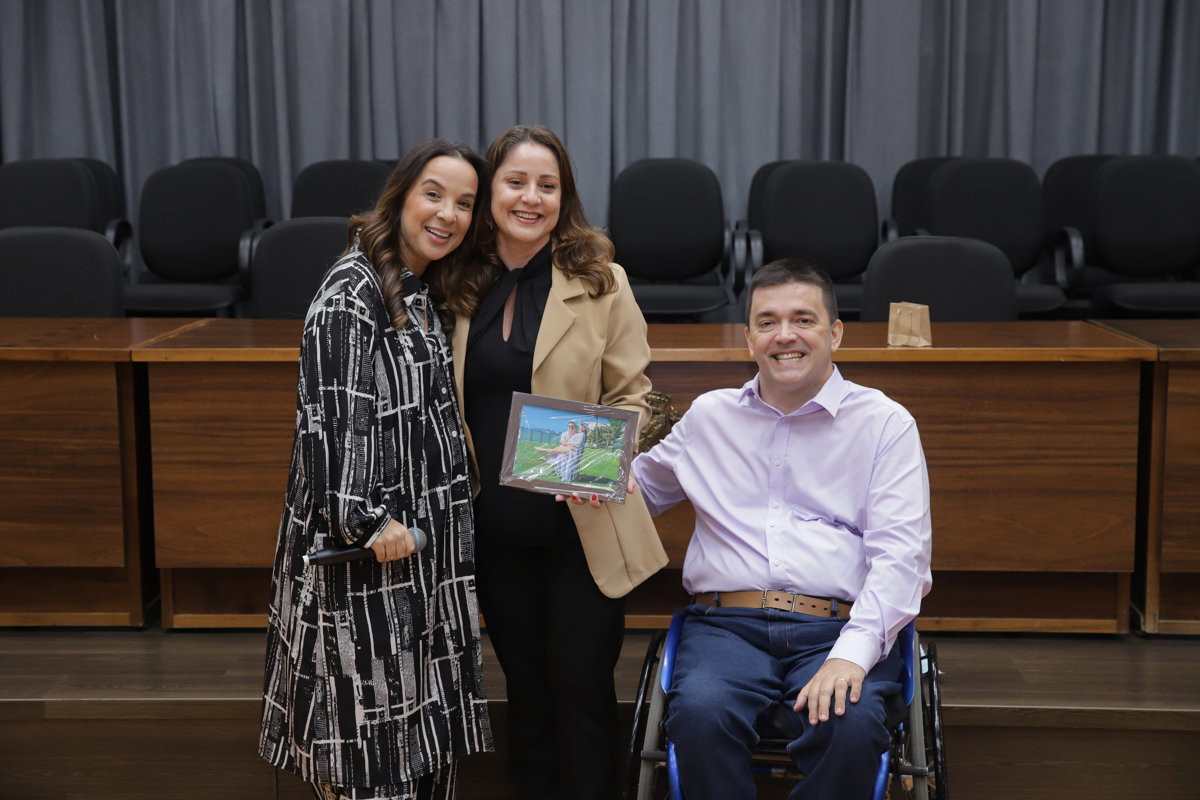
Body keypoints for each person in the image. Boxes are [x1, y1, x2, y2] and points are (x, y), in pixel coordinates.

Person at [632, 259, 932, 799]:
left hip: (837, 626)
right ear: (748, 338)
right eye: (767, 322)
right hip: (726, 628)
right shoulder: (710, 417)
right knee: (700, 714)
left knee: (849, 723)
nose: (784, 335)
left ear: (834, 333)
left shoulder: (884, 423)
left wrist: (850, 655)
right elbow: (638, 495)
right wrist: (581, 476)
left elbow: (901, 560)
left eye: (803, 319)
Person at [259, 139, 493, 800]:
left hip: (419, 560)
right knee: (369, 753)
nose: (448, 214)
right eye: (434, 194)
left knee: (419, 746)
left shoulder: (417, 288)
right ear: (401, 196)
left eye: (465, 203)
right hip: (368, 564)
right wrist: (366, 521)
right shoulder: (350, 293)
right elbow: (333, 423)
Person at [441, 124, 667, 800]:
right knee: (527, 692)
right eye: (515, 182)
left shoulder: (601, 280)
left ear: (564, 197)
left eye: (548, 185)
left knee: (582, 690)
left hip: (579, 528)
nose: (530, 198)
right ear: (490, 192)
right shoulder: (454, 281)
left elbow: (637, 396)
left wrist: (599, 459)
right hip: (493, 533)